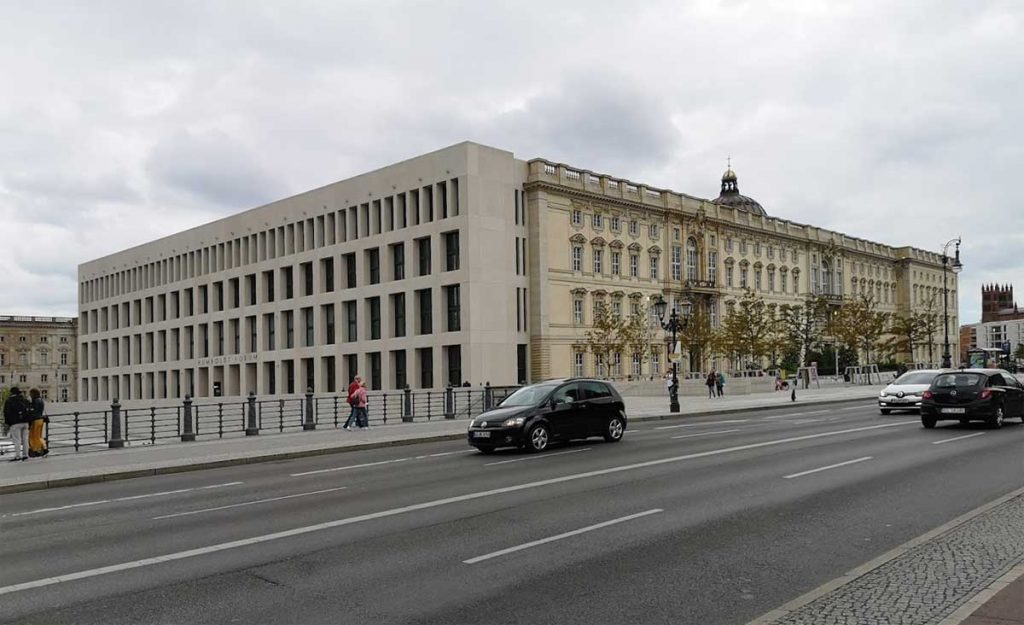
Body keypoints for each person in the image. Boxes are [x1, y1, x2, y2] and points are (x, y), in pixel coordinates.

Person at [3, 387, 31, 462]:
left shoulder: (9, 401)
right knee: (25, 439)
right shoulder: (24, 400)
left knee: (17, 440)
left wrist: (7, 424)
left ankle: (18, 456)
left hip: (15, 423)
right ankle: (25, 455)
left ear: (11, 393)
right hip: (25, 422)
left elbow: (6, 413)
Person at [27, 388, 48, 458]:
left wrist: (29, 407)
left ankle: (36, 450)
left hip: (35, 420)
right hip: (41, 419)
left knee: (33, 436)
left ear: (33, 393)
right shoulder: (41, 400)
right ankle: (44, 448)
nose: (29, 395)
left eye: (30, 393)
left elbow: (33, 411)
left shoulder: (35, 401)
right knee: (39, 436)